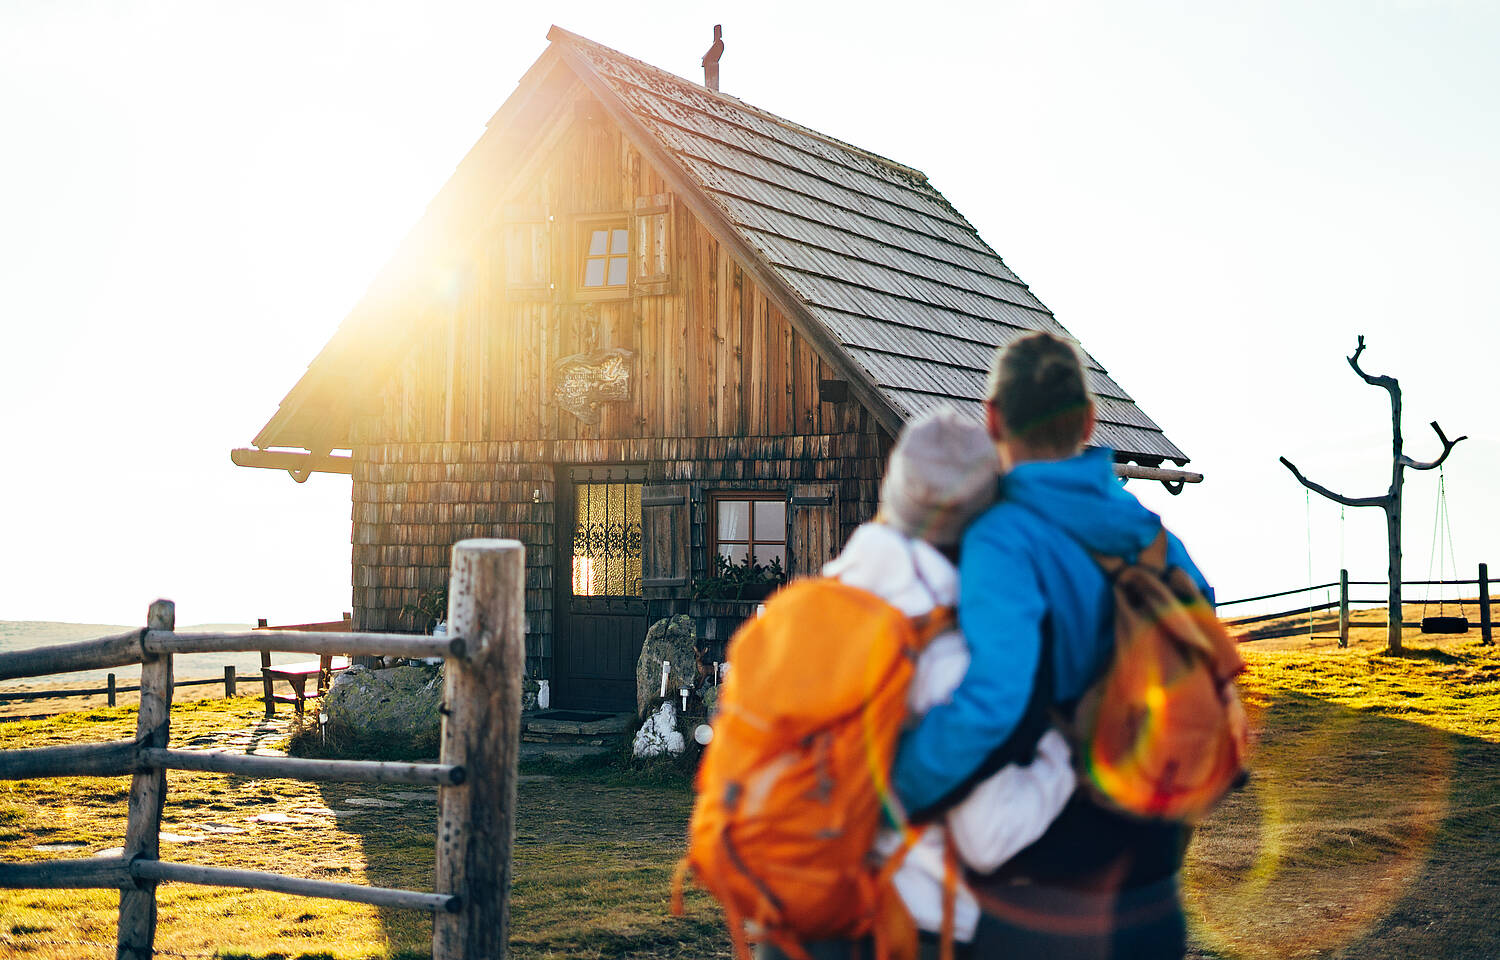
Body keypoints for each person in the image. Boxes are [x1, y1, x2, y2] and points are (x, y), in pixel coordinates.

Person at [891, 332, 1216, 959]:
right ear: (1091, 421)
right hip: (1153, 882)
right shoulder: (1152, 536)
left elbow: (995, 702)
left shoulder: (1003, 538)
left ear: (993, 419)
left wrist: (893, 788)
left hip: (1052, 892)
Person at [756, 408, 1078, 960]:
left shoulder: (798, 612)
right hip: (900, 929)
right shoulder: (946, 654)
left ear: (891, 490)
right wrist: (1061, 759)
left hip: (786, 917)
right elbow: (988, 836)